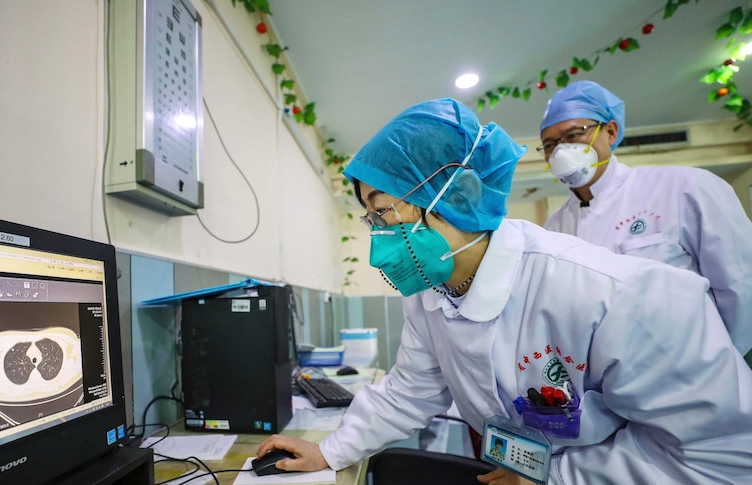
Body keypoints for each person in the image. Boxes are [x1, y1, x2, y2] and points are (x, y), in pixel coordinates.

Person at [256, 98, 752, 484]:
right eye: (371, 219)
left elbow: (720, 452)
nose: (379, 239)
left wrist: (557, 477)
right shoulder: (431, 290)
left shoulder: (614, 295)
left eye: (385, 213)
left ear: (458, 196)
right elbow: (410, 391)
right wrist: (331, 450)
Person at [538, 80, 752, 364]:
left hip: (696, 374)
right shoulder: (554, 229)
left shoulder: (684, 188)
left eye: (574, 135)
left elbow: (742, 287)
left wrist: (716, 369)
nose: (561, 151)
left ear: (610, 131)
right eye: (550, 145)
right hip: (608, 389)